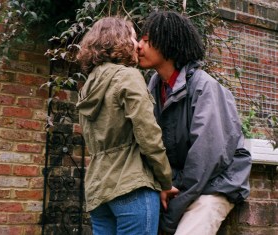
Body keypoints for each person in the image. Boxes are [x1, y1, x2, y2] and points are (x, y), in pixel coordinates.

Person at [138, 11, 252, 235]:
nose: (138, 46)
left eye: (146, 40)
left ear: (167, 44)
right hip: (180, 185)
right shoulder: (153, 87)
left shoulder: (205, 88)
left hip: (216, 184)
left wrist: (171, 206)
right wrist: (163, 184)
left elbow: (206, 160)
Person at [76, 17, 176, 235]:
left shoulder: (89, 84)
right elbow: (148, 135)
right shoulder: (128, 77)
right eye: (132, 36)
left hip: (98, 191)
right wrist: (166, 181)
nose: (137, 44)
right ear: (120, 41)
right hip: (131, 186)